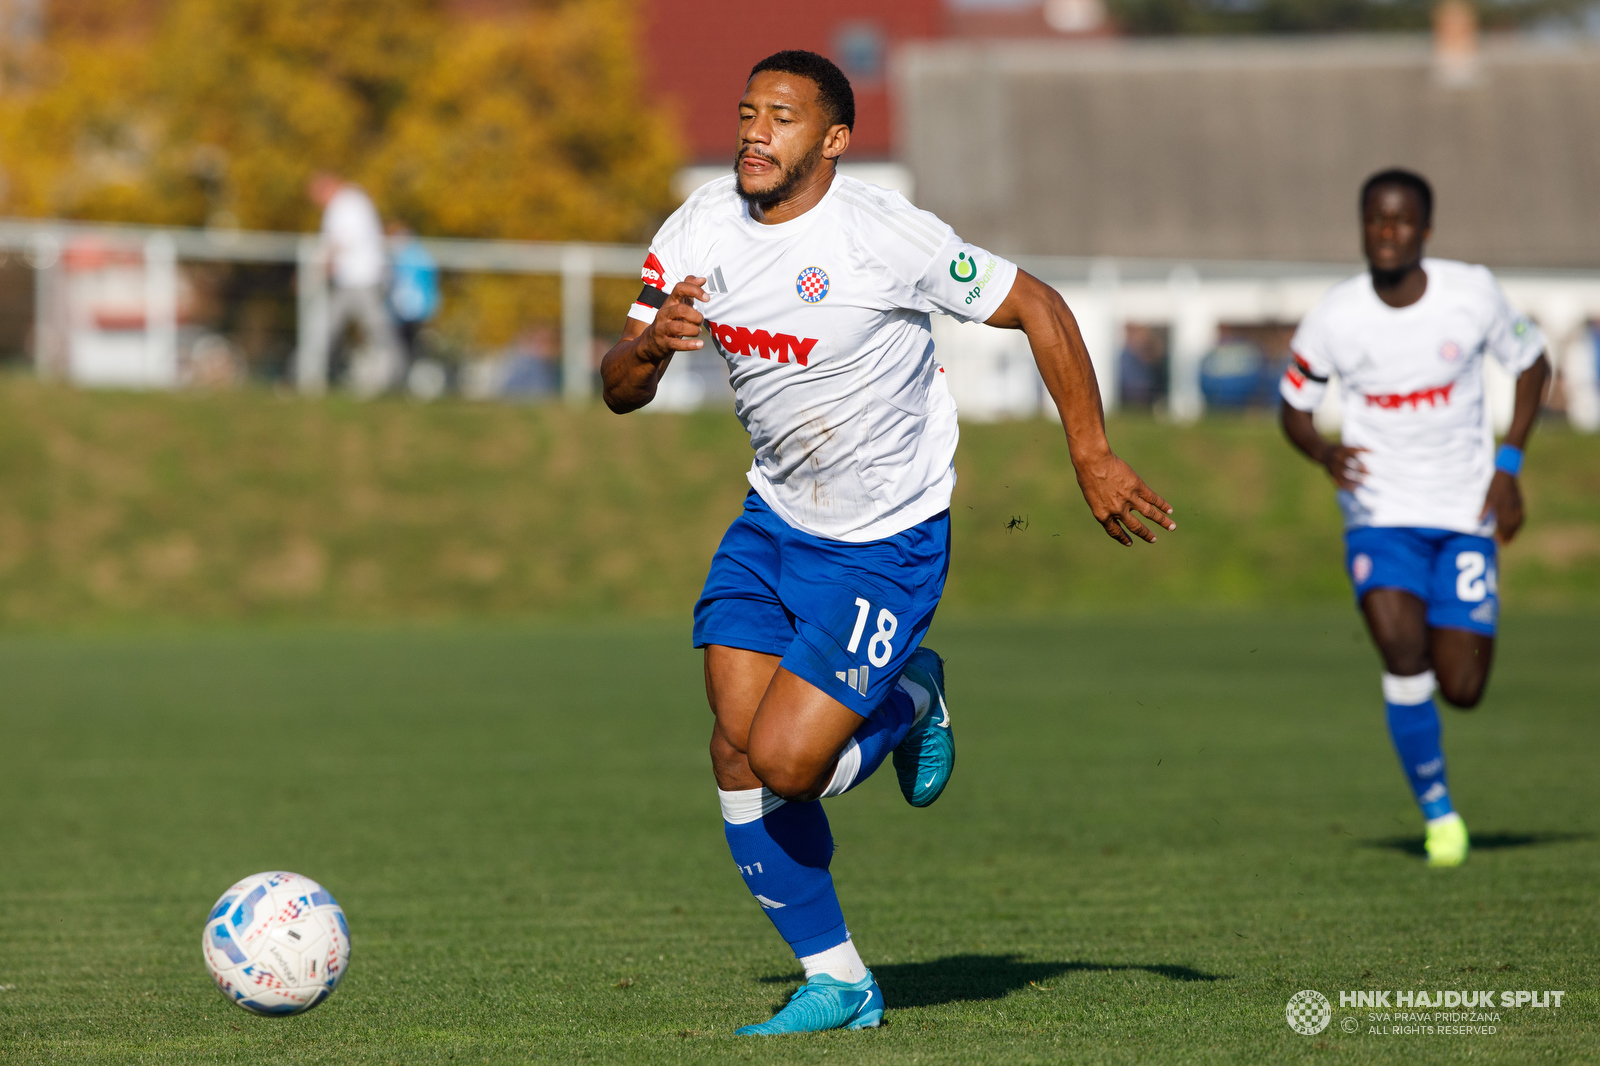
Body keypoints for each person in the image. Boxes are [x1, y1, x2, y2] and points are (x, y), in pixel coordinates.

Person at [601, 50, 1174, 1035]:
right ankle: (840, 981)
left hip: (882, 544)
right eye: (745, 112)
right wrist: (651, 345)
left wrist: (1091, 454)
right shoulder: (697, 226)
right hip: (772, 523)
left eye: (780, 117)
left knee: (787, 765)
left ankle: (912, 699)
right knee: (733, 754)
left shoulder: (882, 236)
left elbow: (1036, 305)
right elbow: (618, 386)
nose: (752, 132)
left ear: (830, 140)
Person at [1279, 168, 1550, 868]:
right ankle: (1440, 816)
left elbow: (1532, 364)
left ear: (1425, 230)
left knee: (1461, 688)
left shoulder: (1472, 294)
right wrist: (1320, 452)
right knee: (1402, 655)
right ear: (1363, 226)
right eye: (1375, 220)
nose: (1387, 232)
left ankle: (1445, 671)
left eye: (1400, 221)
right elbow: (1294, 407)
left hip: (1464, 514)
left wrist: (1510, 465)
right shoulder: (1336, 316)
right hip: (1379, 514)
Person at [307, 174, 404, 397]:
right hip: (350, 279)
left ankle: (395, 377)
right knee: (327, 326)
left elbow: (342, 240)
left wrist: (319, 267)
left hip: (363, 278)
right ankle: (307, 375)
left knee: (377, 329)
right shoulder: (348, 202)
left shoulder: (348, 203)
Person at [387, 221, 441, 371]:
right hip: (402, 309)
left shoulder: (417, 256)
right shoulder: (406, 256)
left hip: (413, 310)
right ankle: (403, 372)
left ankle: (408, 373)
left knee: (412, 344)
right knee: (403, 343)